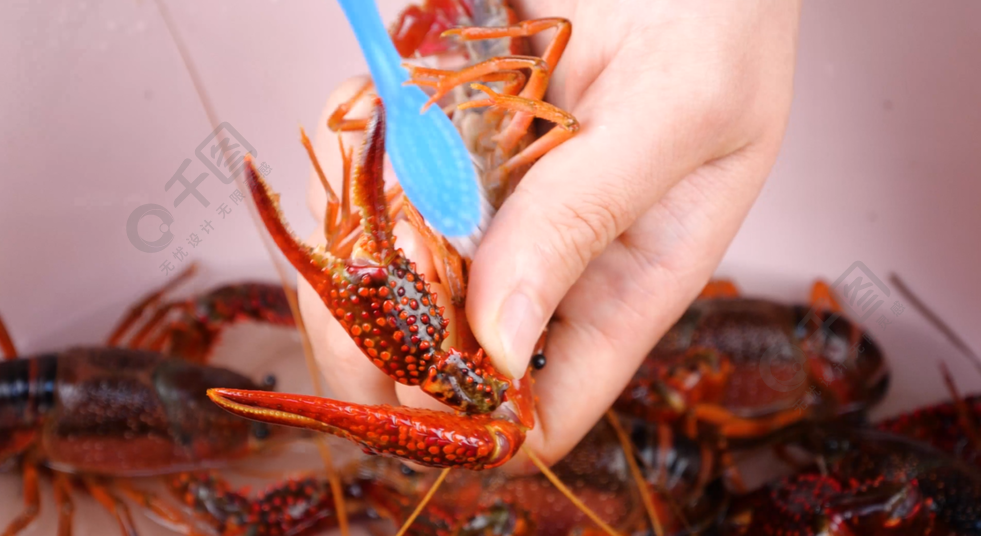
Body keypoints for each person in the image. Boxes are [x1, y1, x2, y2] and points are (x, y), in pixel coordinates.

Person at [300, 0, 802, 471]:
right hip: (498, 58)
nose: (523, 352)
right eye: (533, 356)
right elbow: (555, 100)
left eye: (533, 354)